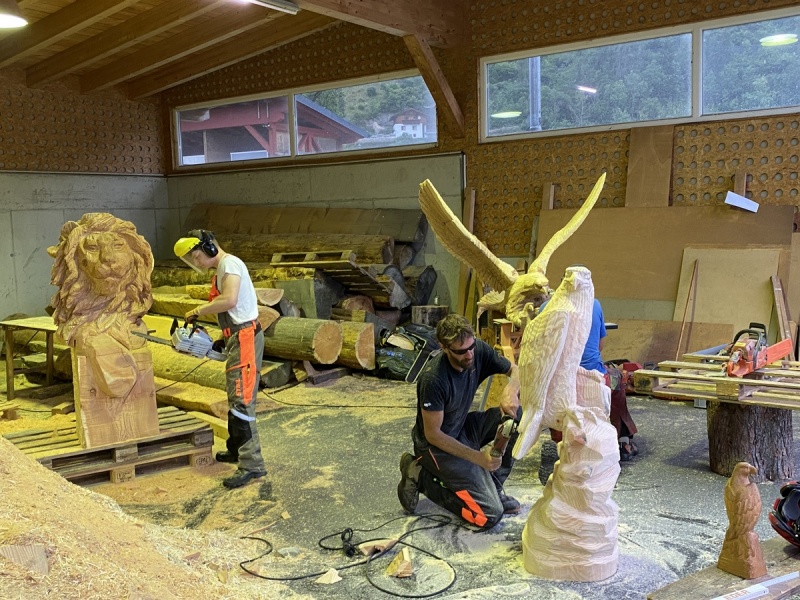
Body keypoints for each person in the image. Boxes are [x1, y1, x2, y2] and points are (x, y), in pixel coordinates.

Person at [397, 314, 522, 529]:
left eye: (471, 346)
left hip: (462, 426)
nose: (469, 354)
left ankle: (494, 487)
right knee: (489, 516)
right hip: (436, 448)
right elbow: (433, 435)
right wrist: (478, 458)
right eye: (461, 351)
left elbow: (517, 370)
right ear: (444, 347)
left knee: (518, 416)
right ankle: (420, 475)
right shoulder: (434, 379)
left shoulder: (476, 349)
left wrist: (511, 390)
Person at [174, 229, 267, 489]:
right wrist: (222, 336)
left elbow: (230, 299)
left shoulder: (230, 264)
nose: (196, 262)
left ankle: (252, 465)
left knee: (242, 401)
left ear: (208, 248)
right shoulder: (222, 269)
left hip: (245, 337)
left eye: (196, 257)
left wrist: (199, 310)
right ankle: (236, 449)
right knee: (235, 397)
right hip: (236, 336)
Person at [538, 296, 639, 485]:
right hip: (592, 376)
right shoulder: (594, 303)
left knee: (552, 390)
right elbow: (600, 346)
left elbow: (541, 350)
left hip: (558, 380)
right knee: (618, 380)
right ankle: (622, 441)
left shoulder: (545, 307)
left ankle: (559, 446)